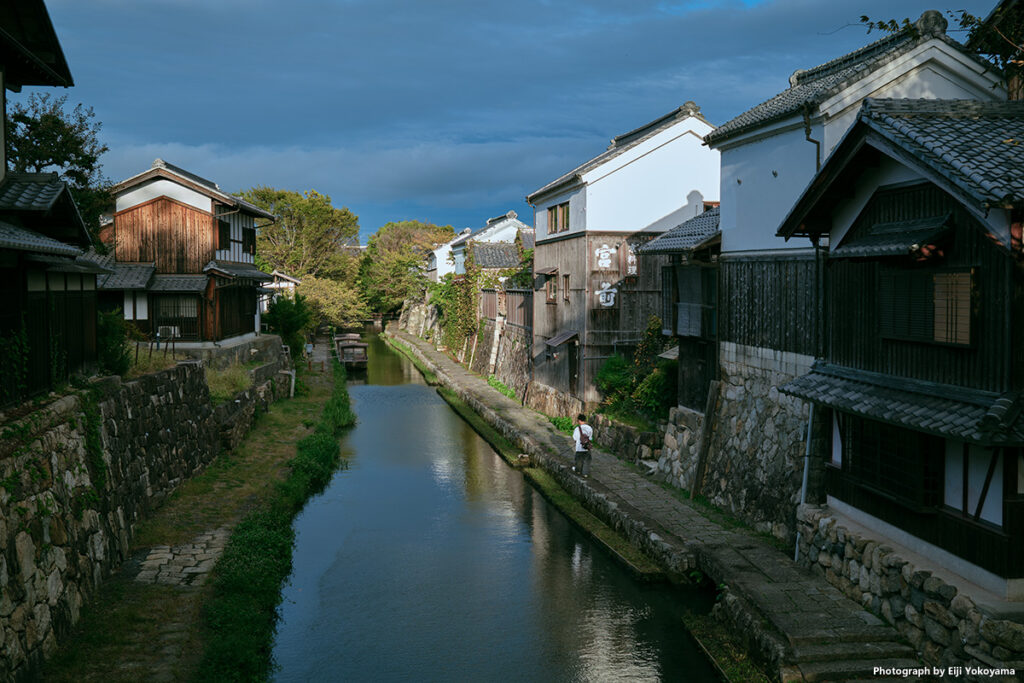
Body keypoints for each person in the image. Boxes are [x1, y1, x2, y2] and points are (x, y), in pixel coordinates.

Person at [572, 414, 593, 478]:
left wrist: (577, 442)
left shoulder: (577, 429)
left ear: (579, 420)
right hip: (587, 448)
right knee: (587, 460)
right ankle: (585, 474)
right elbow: (590, 438)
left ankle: (578, 471)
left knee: (578, 460)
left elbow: (575, 438)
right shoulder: (590, 428)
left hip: (579, 448)